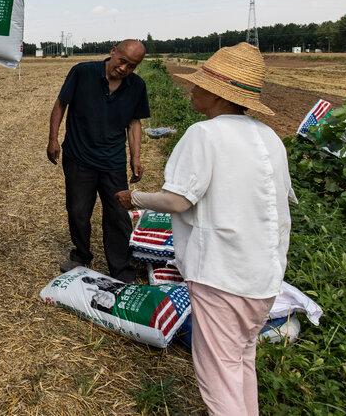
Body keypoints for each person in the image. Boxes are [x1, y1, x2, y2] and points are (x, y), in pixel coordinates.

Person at [115, 43, 295, 416]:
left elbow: (178, 200)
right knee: (241, 360)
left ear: (217, 93)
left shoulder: (205, 135)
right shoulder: (269, 138)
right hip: (264, 276)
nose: (192, 90)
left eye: (198, 85)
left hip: (222, 276)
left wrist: (136, 198)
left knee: (218, 377)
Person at [47, 39, 148, 283]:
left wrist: (135, 157)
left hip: (112, 161)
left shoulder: (137, 86)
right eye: (122, 61)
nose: (124, 69)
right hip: (78, 156)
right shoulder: (83, 72)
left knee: (118, 214)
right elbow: (61, 104)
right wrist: (53, 139)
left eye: (131, 66)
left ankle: (121, 269)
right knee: (78, 210)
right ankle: (81, 255)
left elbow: (134, 123)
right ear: (113, 52)